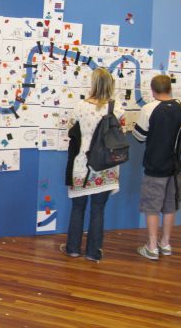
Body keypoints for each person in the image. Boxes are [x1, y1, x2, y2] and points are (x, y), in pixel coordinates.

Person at [60, 68, 124, 262]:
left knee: (78, 208)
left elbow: (70, 129)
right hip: (106, 166)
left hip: (82, 164)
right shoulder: (117, 108)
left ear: (93, 84)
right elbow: (123, 132)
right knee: (98, 209)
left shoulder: (80, 106)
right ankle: (93, 252)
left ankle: (72, 248)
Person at [133, 74, 181, 260]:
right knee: (170, 206)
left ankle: (152, 247)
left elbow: (139, 137)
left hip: (155, 165)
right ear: (170, 88)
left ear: (152, 91)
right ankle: (166, 243)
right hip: (177, 167)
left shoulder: (148, 108)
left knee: (152, 206)